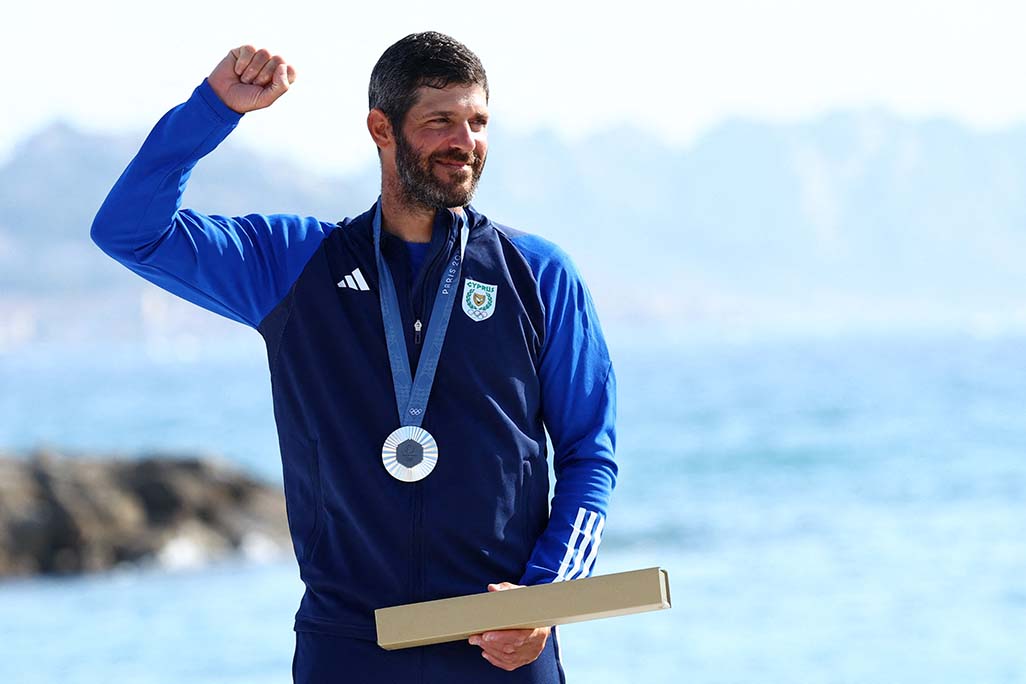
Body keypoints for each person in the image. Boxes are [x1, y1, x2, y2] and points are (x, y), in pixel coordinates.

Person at [91, 32, 616, 683]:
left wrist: (546, 599)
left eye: (478, 121)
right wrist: (213, 110)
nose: (466, 141)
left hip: (499, 648)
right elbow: (128, 230)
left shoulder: (538, 274)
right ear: (381, 128)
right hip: (348, 648)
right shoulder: (292, 266)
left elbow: (589, 450)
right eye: (440, 121)